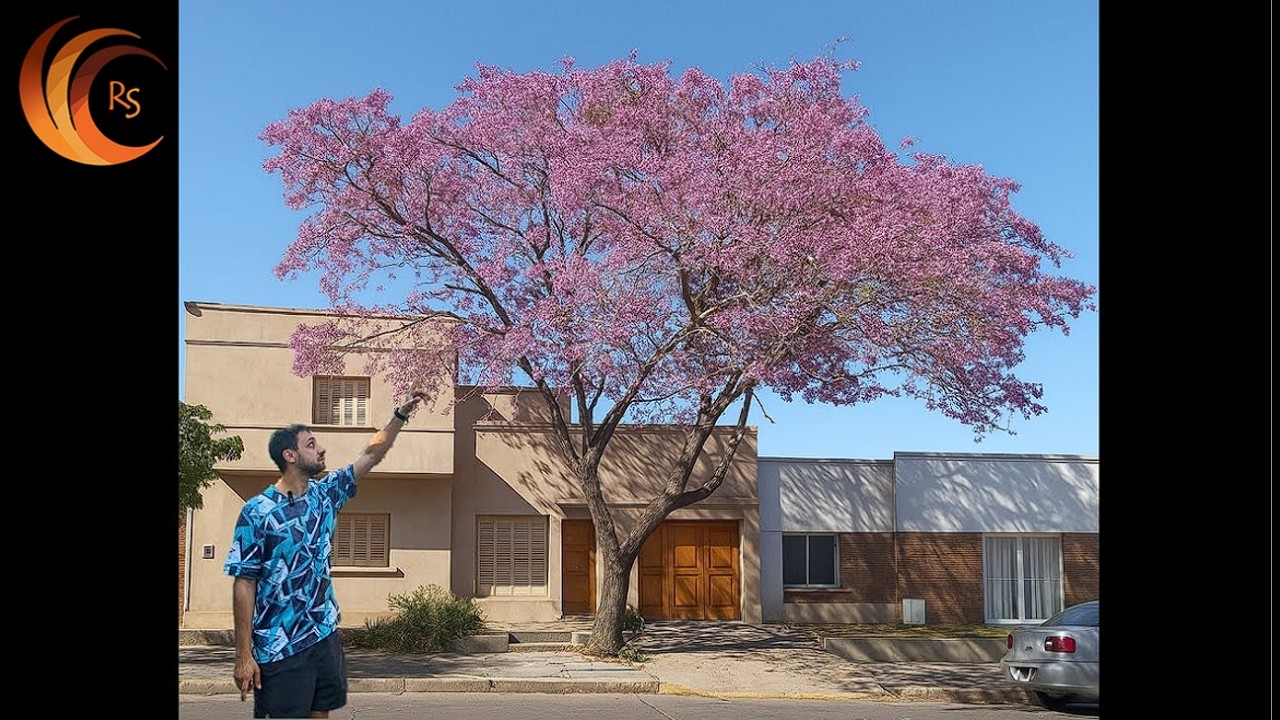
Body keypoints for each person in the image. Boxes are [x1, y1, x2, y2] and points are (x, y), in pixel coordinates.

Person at [223, 390, 427, 718]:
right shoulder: (258, 512)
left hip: (323, 636)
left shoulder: (325, 495)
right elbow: (244, 582)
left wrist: (399, 416)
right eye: (311, 444)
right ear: (290, 455)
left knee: (321, 714)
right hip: (280, 646)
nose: (322, 448)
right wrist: (243, 655)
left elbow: (371, 454)